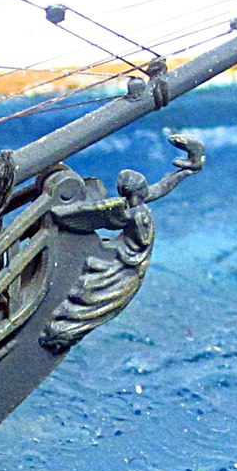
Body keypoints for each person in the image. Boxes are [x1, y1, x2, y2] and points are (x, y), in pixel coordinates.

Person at [40, 134, 204, 352]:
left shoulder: (136, 206)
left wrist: (186, 171)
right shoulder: (128, 212)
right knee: (100, 290)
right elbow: (89, 213)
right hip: (128, 257)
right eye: (143, 186)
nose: (147, 188)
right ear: (137, 191)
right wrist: (62, 214)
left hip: (135, 258)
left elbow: (163, 187)